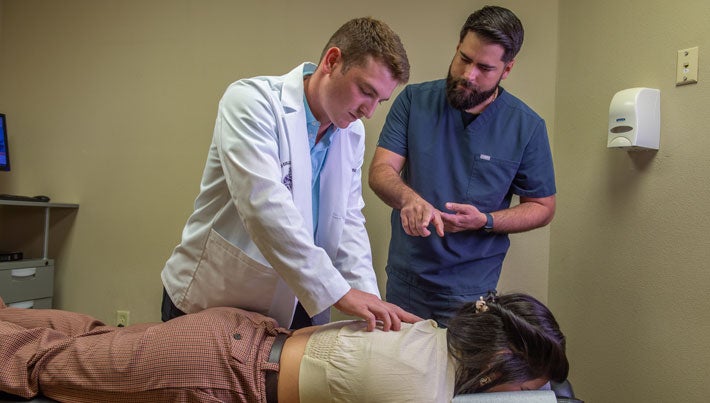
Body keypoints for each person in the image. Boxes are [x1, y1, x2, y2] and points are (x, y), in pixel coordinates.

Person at [160, 17, 418, 331]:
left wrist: (369, 300)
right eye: (365, 91)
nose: (370, 111)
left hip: (293, 302)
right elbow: (264, 207)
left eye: (380, 100)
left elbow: (348, 220)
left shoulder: (352, 133)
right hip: (214, 298)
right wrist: (339, 292)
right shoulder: (252, 102)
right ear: (332, 61)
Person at [0, 292, 568, 402]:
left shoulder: (428, 331)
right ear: (503, 365)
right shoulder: (424, 389)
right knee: (42, 367)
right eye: (526, 386)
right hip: (214, 372)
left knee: (88, 338)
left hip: (233, 334)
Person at [368, 6, 557, 325]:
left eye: (484, 67)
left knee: (459, 374)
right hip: (406, 281)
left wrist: (485, 220)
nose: (469, 75)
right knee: (401, 371)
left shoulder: (526, 127)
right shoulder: (414, 101)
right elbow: (381, 170)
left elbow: (542, 206)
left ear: (506, 70)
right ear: (457, 47)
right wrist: (408, 199)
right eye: (464, 59)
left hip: (470, 293)